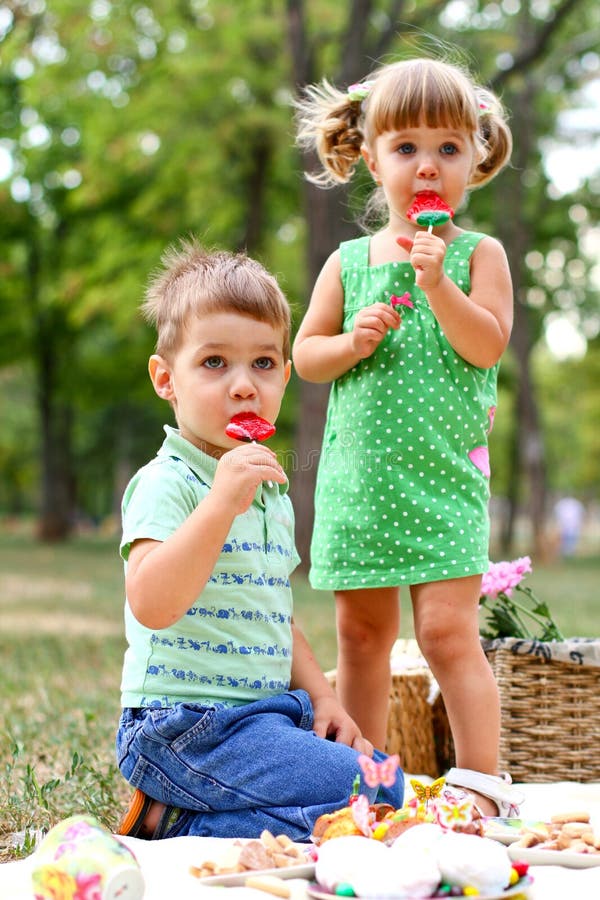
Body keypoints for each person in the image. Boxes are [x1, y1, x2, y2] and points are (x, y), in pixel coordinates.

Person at [292, 57, 523, 817]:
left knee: (446, 633)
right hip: (361, 482)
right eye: (407, 149)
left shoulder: (477, 255)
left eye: (449, 149)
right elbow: (305, 356)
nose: (428, 165)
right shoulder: (349, 261)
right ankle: (362, 780)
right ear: (370, 157)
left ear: (476, 157)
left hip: (443, 480)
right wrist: (352, 341)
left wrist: (437, 285)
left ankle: (483, 782)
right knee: (360, 636)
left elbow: (487, 345)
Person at [115, 238, 403, 842]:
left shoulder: (269, 491)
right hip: (182, 725)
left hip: (261, 719)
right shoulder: (167, 483)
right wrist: (220, 503)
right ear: (166, 378)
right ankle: (184, 820)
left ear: (285, 375)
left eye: (263, 364)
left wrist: (325, 698)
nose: (243, 385)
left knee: (376, 791)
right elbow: (151, 601)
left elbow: (272, 612)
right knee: (377, 789)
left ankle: (184, 816)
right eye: (214, 363)